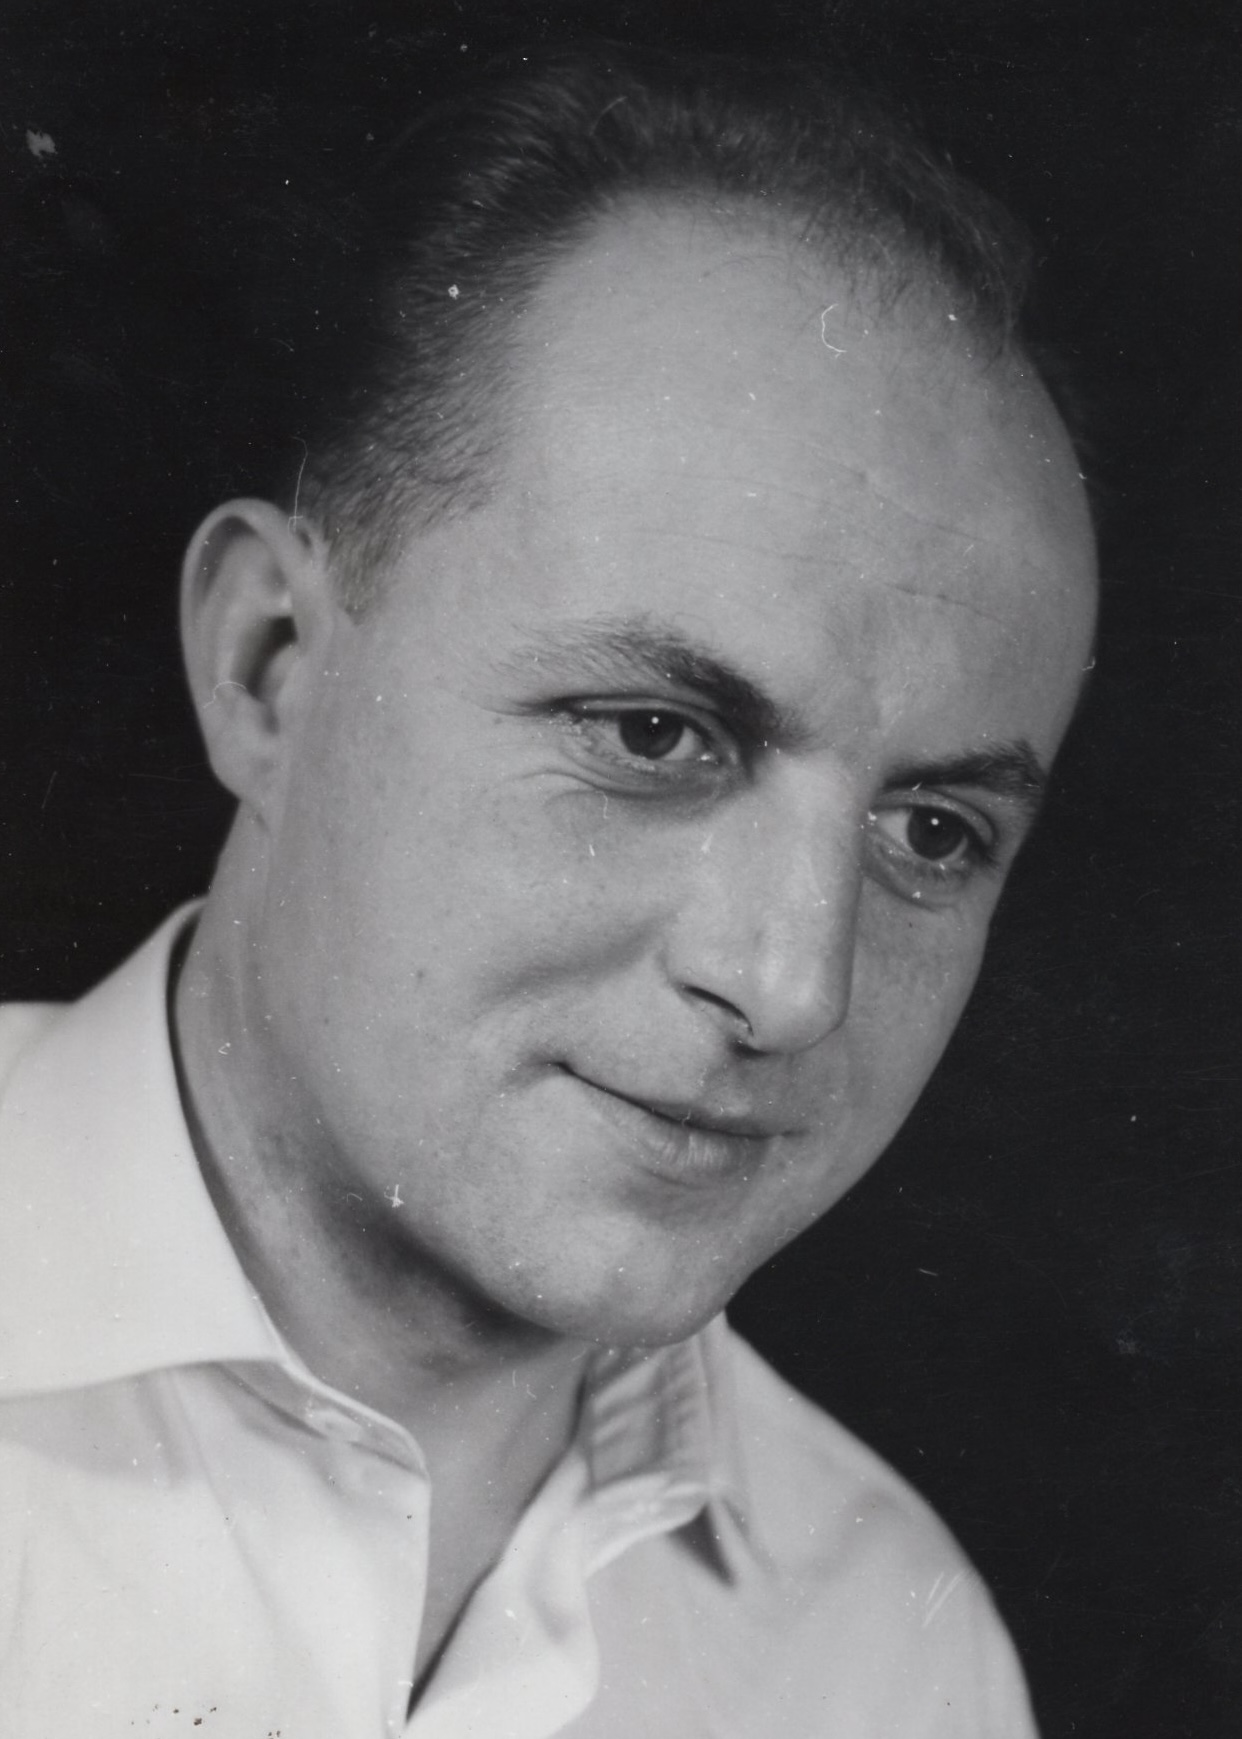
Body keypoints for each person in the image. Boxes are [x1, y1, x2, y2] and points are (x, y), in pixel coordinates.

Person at [0, 39, 1096, 1738]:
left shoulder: (893, 1662)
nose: (789, 984)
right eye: (655, 735)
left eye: (932, 833)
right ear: (269, 666)